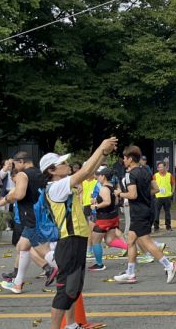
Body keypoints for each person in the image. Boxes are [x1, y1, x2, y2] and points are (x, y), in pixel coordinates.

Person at [42, 137, 118, 328]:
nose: (68, 164)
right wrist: (101, 147)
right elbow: (85, 171)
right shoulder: (56, 187)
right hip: (69, 242)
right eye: (63, 163)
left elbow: (89, 172)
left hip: (75, 240)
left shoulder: (62, 184)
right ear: (51, 171)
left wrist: (103, 153)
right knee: (65, 292)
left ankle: (71, 325)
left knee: (73, 289)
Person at [113, 146, 176, 284]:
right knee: (131, 241)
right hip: (147, 209)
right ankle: (130, 273)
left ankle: (169, 265)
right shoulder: (146, 171)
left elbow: (133, 194)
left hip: (138, 212)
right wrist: (143, 195)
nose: (123, 161)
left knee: (146, 242)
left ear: (130, 159)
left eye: (124, 158)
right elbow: (155, 189)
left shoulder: (131, 174)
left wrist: (120, 194)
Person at [0, 151, 57, 294]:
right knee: (22, 247)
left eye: (15, 164)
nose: (15, 168)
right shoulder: (39, 173)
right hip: (41, 215)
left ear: (21, 162)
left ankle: (61, 268)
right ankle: (17, 284)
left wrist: (6, 199)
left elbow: (19, 194)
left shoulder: (22, 174)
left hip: (30, 217)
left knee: (43, 251)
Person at [88, 167, 128, 271]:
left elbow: (107, 202)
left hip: (104, 219)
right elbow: (115, 202)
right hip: (113, 217)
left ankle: (99, 264)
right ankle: (129, 247)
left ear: (103, 177)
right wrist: (96, 201)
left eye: (99, 176)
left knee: (95, 240)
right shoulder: (113, 187)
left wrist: (96, 206)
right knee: (109, 241)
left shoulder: (104, 188)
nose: (98, 178)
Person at [152, 162, 174, 231]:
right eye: (158, 167)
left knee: (167, 212)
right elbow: (152, 184)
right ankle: (156, 226)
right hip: (158, 196)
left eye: (161, 167)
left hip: (167, 196)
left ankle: (168, 226)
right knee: (156, 212)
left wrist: (172, 192)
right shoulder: (155, 175)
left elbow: (173, 184)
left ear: (165, 167)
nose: (160, 168)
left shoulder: (169, 175)